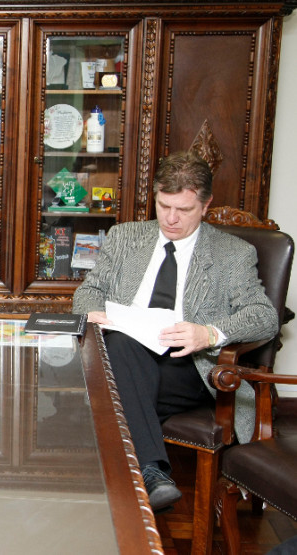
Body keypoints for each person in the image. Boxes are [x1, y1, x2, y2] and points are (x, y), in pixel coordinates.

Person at [72, 151, 277, 511]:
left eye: (183, 210)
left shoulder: (232, 253)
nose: (170, 218)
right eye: (163, 205)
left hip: (186, 366)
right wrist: (94, 312)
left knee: (105, 387)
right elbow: (89, 290)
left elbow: (264, 316)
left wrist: (209, 334)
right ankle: (151, 473)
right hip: (125, 354)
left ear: (206, 204)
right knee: (120, 347)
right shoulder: (125, 237)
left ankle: (118, 483)